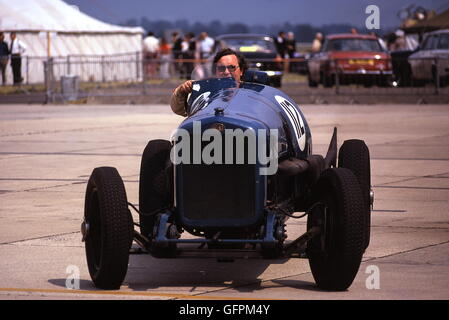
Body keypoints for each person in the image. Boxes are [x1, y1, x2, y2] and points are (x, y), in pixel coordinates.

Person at [170, 48, 247, 116]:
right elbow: (180, 110)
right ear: (215, 71)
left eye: (231, 67)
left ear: (241, 71)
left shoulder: (250, 92)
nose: (226, 72)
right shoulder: (206, 90)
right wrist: (182, 90)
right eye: (221, 68)